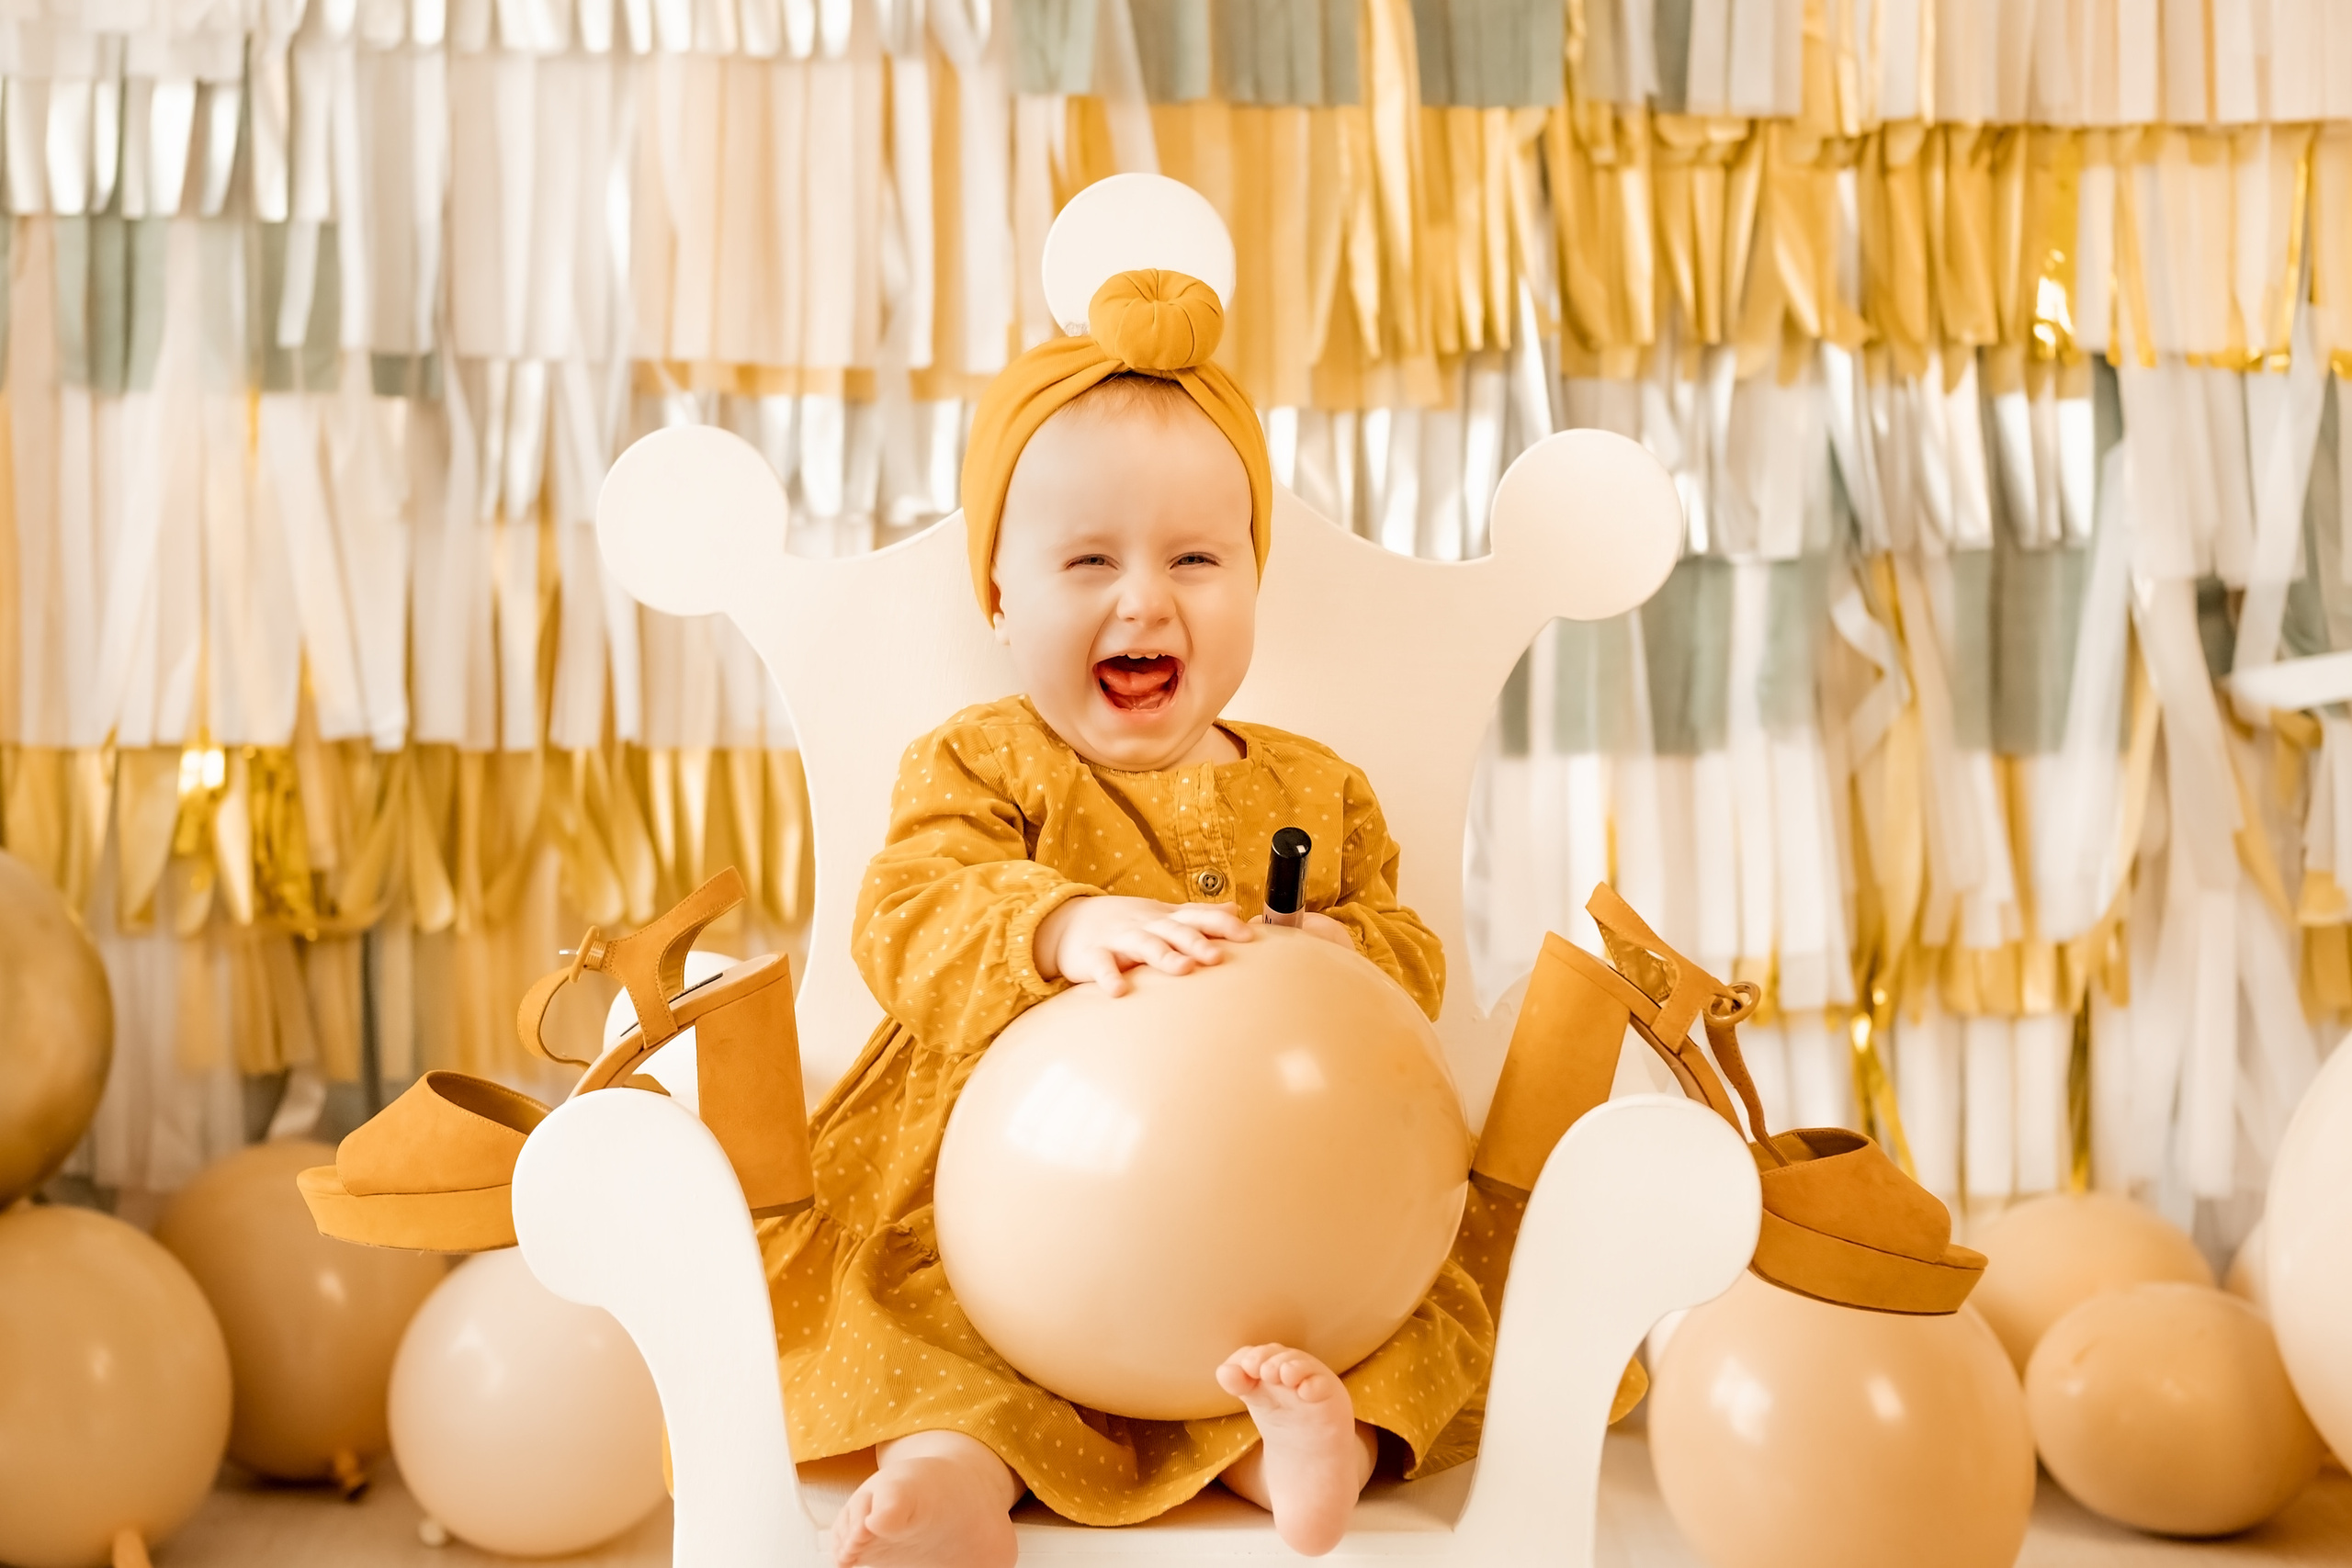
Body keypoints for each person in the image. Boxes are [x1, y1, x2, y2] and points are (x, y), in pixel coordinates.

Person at [761, 270, 1552, 1567]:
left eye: (1196, 558)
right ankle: (953, 1480)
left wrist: (1346, 958)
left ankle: (1307, 1447)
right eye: (1089, 562)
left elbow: (1408, 950)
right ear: (1002, 599)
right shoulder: (985, 760)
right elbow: (908, 910)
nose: (1145, 600)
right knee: (923, 1324)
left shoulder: (1316, 786)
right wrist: (1060, 929)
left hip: (1287, 1217)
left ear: (1252, 580)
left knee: (1424, 1305)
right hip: (1005, 1209)